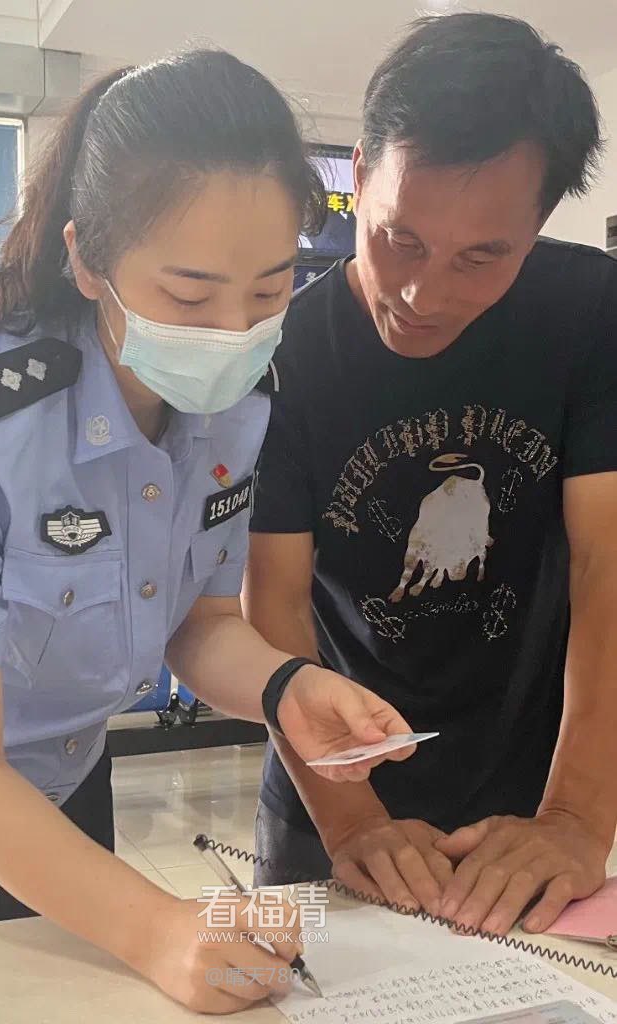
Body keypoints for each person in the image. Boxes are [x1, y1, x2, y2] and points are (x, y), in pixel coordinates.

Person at [0, 51, 414, 1014]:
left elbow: (198, 623)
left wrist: (288, 687)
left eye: (270, 290)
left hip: (69, 788)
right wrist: (158, 929)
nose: (233, 331)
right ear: (87, 260)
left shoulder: (238, 405)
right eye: (190, 297)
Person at [246, 12, 617, 940]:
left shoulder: (590, 315)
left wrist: (578, 818)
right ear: (359, 175)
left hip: (529, 800)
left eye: (482, 257)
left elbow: (606, 566)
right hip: (328, 794)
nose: (423, 294)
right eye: (399, 239)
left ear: (537, 226)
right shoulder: (279, 353)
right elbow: (274, 605)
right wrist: (352, 822)